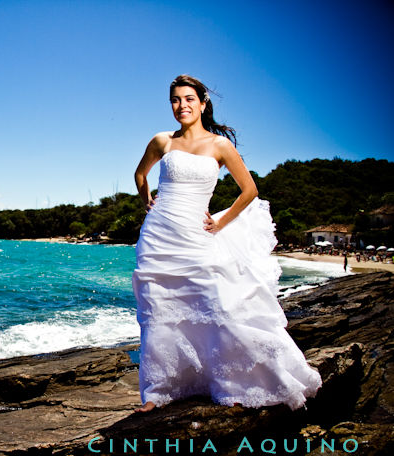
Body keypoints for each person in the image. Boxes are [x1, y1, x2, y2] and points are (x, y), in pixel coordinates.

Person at [132, 75, 321, 413]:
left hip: (197, 235)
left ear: (203, 104)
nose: (182, 106)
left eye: (189, 99)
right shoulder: (162, 141)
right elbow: (140, 175)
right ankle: (157, 393)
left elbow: (249, 191)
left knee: (217, 305)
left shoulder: (220, 146)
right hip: (158, 235)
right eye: (175, 100)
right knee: (158, 310)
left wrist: (221, 221)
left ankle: (229, 382)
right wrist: (149, 201)